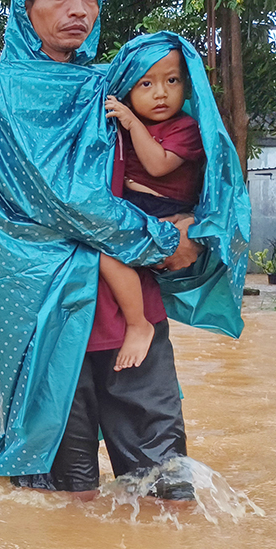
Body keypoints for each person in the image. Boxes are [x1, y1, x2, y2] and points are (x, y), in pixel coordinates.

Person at [0, 0, 248, 501]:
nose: (78, 9)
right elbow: (60, 196)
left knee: (165, 486)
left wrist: (197, 226)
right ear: (26, 8)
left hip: (129, 302)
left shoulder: (108, 88)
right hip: (45, 310)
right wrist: (166, 239)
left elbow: (182, 152)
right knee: (61, 496)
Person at [99, 48, 206, 370]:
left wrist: (132, 123)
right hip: (137, 204)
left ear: (186, 86)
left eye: (171, 80)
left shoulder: (184, 127)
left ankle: (138, 323)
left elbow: (158, 165)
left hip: (162, 207)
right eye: (146, 84)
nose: (160, 93)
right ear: (129, 90)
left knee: (107, 252)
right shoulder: (119, 124)